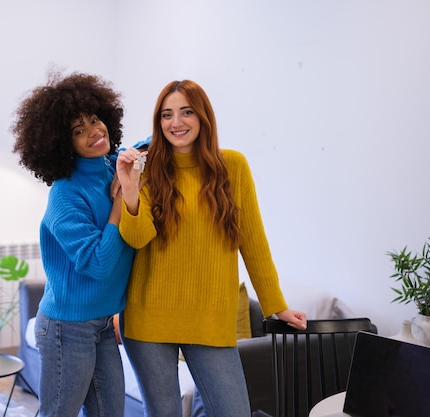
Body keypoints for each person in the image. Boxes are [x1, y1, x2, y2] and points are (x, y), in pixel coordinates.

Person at [115, 79, 307, 417]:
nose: (176, 123)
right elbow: (137, 238)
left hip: (209, 320)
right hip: (148, 320)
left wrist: (276, 305)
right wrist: (130, 190)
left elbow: (254, 242)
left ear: (203, 116)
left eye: (186, 112)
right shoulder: (147, 167)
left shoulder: (232, 166)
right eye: (166, 115)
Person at [11, 71, 135, 417]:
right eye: (78, 131)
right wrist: (118, 204)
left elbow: (148, 144)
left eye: (95, 120)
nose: (94, 132)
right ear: (63, 145)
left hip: (103, 322)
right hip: (67, 328)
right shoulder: (65, 195)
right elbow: (98, 263)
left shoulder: (112, 164)